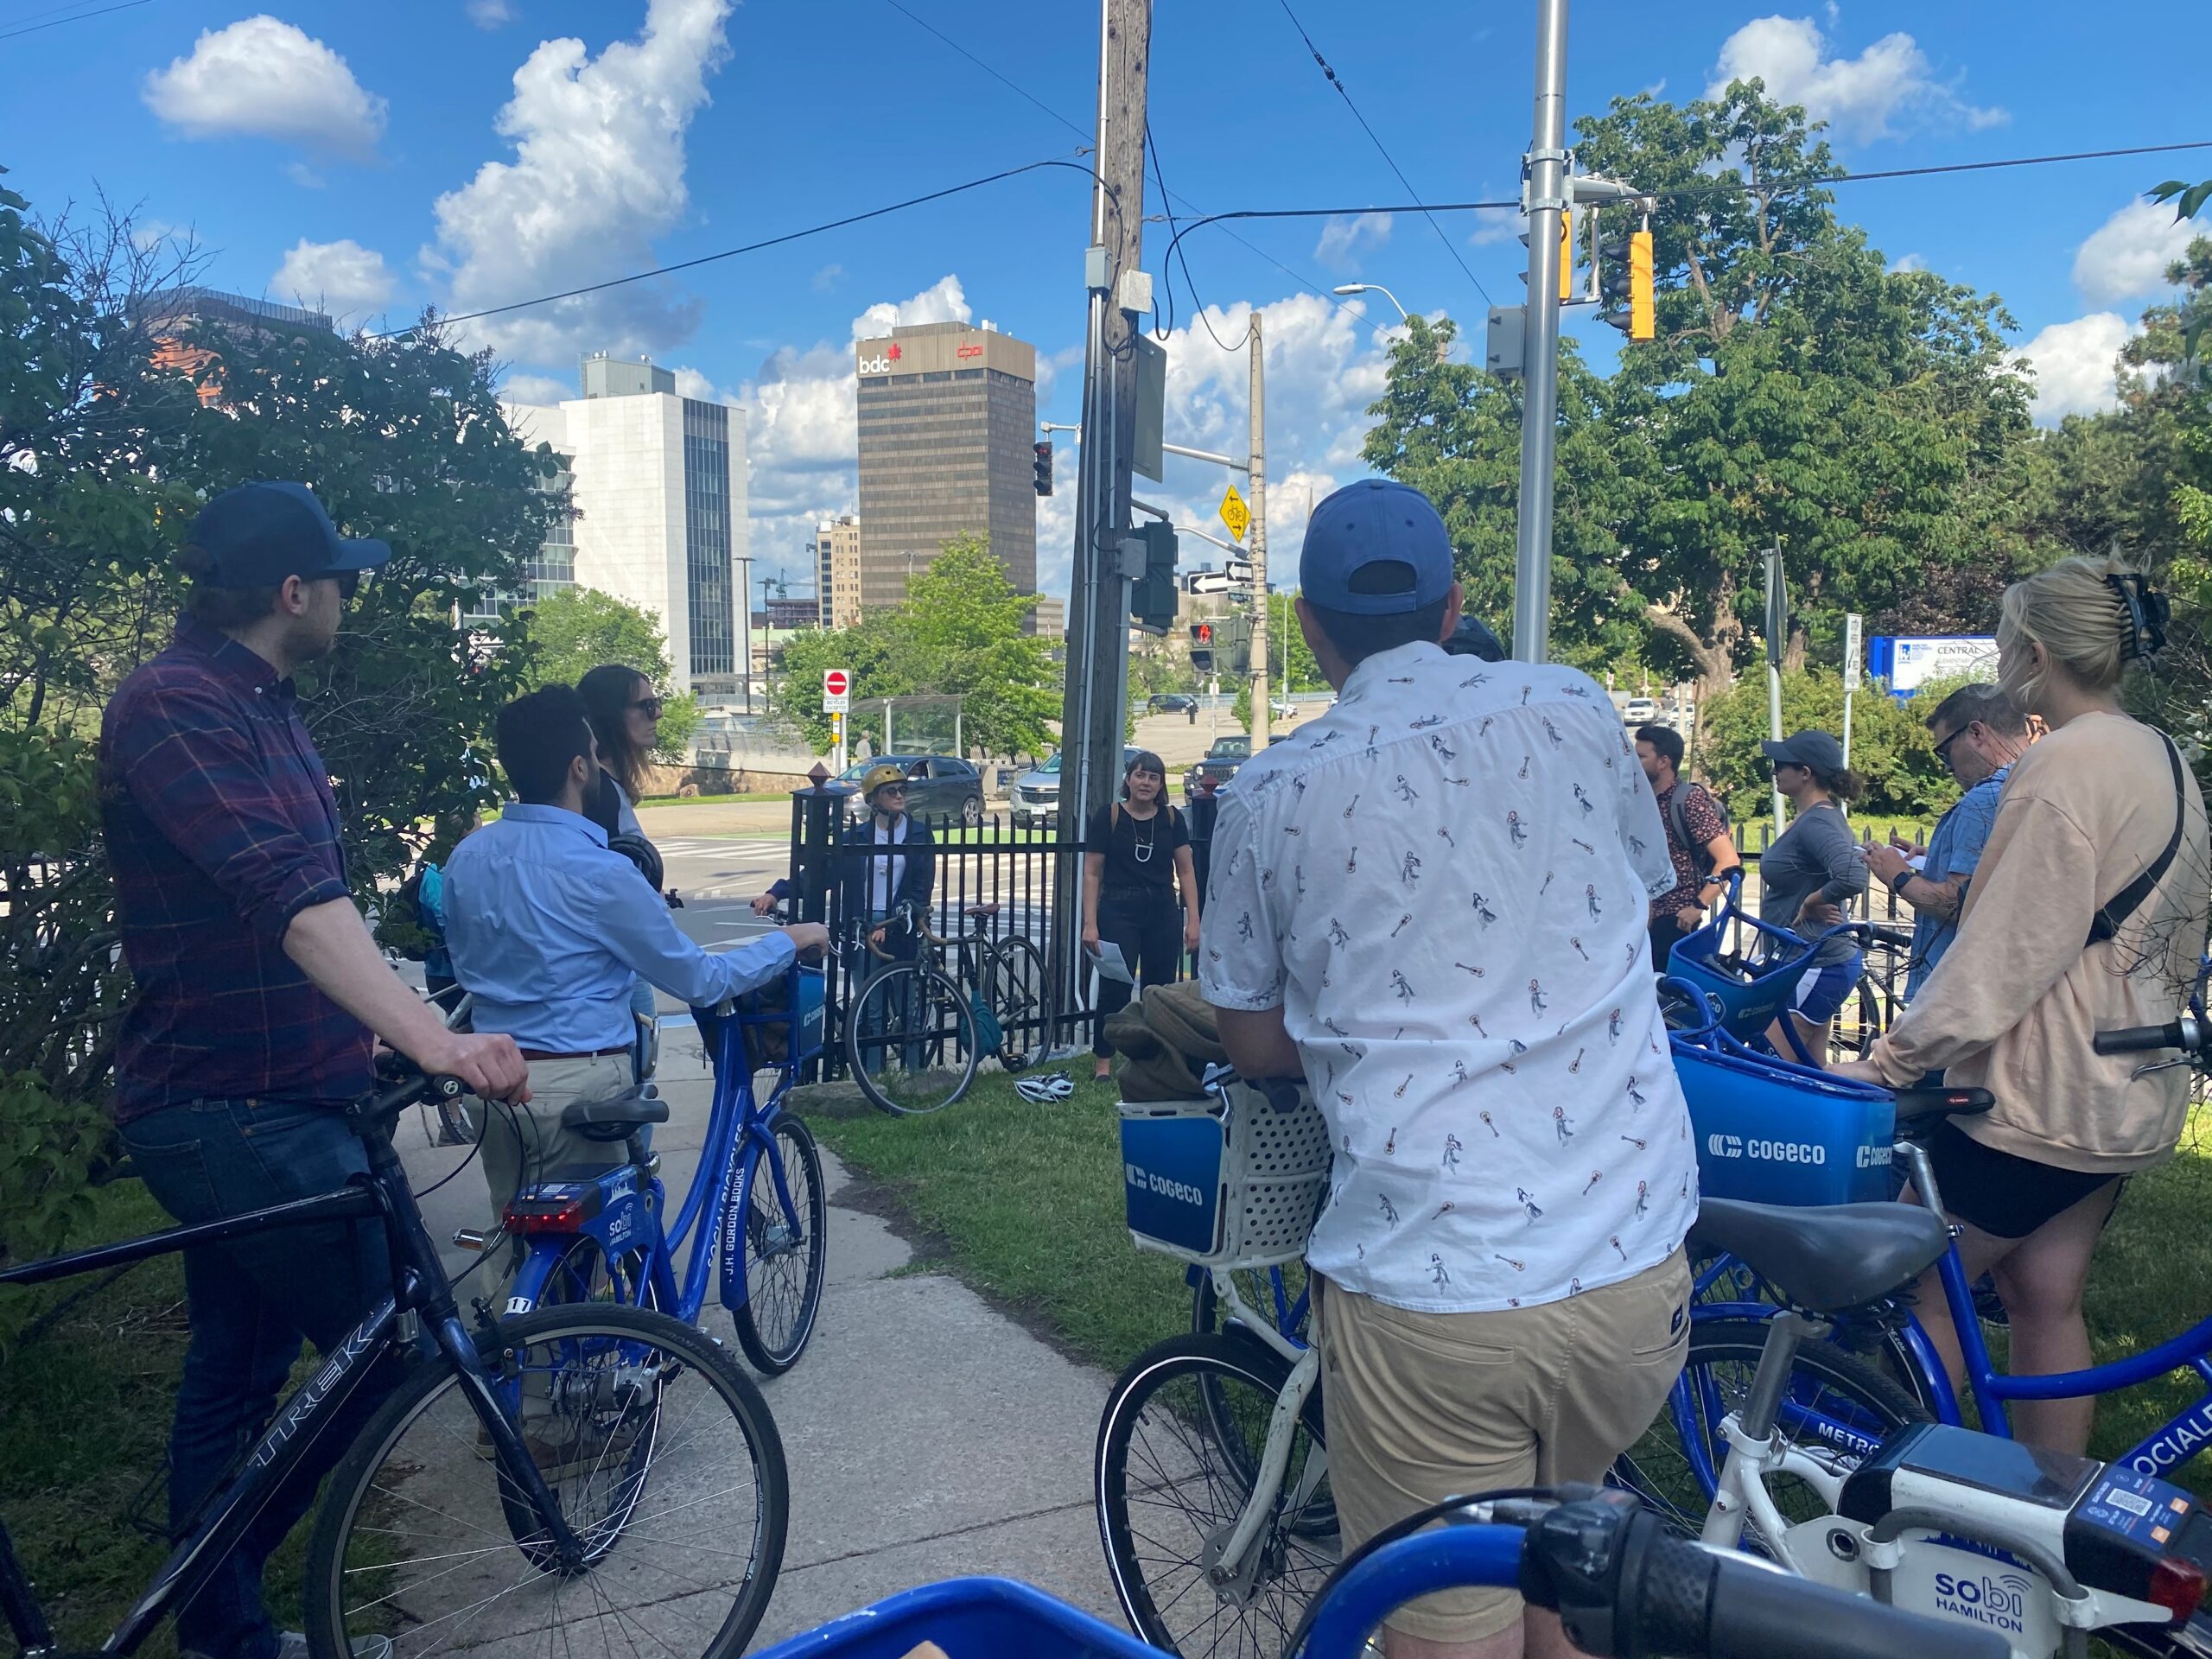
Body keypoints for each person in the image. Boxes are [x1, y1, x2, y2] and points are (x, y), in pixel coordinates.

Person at [1201, 479, 1696, 1659]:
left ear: (1310, 624)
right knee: (1559, 1584)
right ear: (1453, 605)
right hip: (1632, 1266)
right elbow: (1652, 897)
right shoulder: (1577, 710)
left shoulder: (1267, 793)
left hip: (1432, 1287)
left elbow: (1250, 1037)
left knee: (1444, 1633)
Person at [99, 481, 531, 1659]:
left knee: (237, 1375)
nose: (348, 591)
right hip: (228, 1109)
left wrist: (395, 1025)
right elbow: (288, 901)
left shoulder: (264, 705)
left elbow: (323, 913)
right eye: (338, 576)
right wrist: (440, 1043)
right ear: (294, 592)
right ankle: (212, 1590)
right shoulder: (174, 705)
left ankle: (222, 1627)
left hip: (288, 1098)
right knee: (389, 1347)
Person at [1835, 557, 2208, 1453]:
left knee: (1917, 1300)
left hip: (2031, 1102)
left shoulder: (2061, 770)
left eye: (2005, 640)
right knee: (2047, 1298)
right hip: (2124, 1090)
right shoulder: (2163, 757)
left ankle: (1861, 1499)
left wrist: (1886, 1064)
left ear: (2034, 651)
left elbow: (2001, 954)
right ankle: (2051, 1513)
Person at [441, 686, 824, 1254]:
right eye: (594, 754)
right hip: (582, 1086)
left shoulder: (467, 859)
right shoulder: (601, 871)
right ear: (578, 767)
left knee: (516, 1248)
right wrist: (787, 942)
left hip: (496, 1083)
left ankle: (520, 1337)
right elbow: (700, 979)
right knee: (594, 1260)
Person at [1863, 683, 2034, 1000]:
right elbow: (1999, 881)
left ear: (1977, 734)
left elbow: (1958, 904)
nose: (1947, 768)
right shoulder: (2037, 786)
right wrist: (1935, 861)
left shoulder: (1983, 800)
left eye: (1944, 752)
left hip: (1954, 993)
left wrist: (1897, 876)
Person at [1082, 750, 1201, 1082]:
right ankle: (1103, 1062)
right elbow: (1092, 872)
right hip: (1118, 907)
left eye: (1153, 777)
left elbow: (1186, 871)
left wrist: (1194, 919)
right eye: (1139, 775)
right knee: (1115, 987)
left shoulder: (1172, 819)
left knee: (1159, 989)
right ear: (1129, 780)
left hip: (1162, 907)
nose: (1145, 782)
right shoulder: (1109, 816)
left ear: (1161, 784)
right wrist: (1090, 923)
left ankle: (1155, 1059)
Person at [1752, 729, 1869, 1060]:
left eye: (1780, 764)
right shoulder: (1812, 818)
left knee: (1770, 1067)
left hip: (1819, 963)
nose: (1774, 771)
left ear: (1805, 773)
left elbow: (1851, 874)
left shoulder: (1818, 821)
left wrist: (1812, 901)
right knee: (1809, 1074)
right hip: (1807, 962)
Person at [1635, 723, 1741, 970]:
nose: (1632, 763)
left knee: (1668, 998)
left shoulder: (1688, 800)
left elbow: (1728, 861)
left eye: (1640, 756)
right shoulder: (1640, 800)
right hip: (1642, 919)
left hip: (1675, 920)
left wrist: (1697, 906)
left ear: (1663, 762)